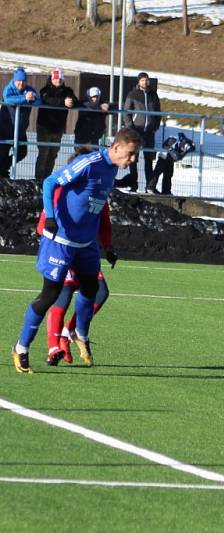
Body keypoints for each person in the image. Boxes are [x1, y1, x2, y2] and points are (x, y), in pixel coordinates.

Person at [10, 128, 141, 374]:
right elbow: (50, 182)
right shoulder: (88, 163)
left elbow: (98, 209)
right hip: (61, 240)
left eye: (136, 156)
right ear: (116, 148)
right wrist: (49, 216)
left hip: (86, 244)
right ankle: (21, 347)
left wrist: (106, 245)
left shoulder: (112, 169)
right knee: (50, 294)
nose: (133, 160)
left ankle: (78, 331)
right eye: (131, 154)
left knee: (92, 287)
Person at [39, 147, 116, 367]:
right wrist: (56, 239)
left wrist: (108, 247)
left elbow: (104, 223)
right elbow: (42, 225)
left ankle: (69, 331)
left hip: (86, 252)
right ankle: (54, 346)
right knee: (61, 294)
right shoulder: (59, 192)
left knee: (100, 291)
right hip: (63, 251)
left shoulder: (98, 191)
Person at [119, 72, 161, 192]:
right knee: (133, 159)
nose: (145, 82)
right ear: (139, 82)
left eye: (146, 80)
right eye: (142, 80)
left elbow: (158, 112)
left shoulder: (153, 95)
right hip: (136, 131)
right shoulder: (133, 94)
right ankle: (133, 184)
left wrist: (155, 126)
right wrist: (130, 126)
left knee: (148, 160)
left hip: (149, 132)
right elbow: (126, 112)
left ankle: (149, 186)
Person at [35, 69, 77, 181]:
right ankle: (38, 179)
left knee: (53, 155)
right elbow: (47, 100)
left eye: (60, 79)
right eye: (56, 78)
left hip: (58, 129)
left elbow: (74, 100)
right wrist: (63, 102)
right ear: (51, 79)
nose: (58, 80)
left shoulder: (68, 91)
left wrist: (71, 101)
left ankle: (47, 179)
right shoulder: (45, 90)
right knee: (43, 154)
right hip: (44, 127)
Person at [0, 67, 41, 179]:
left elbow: (38, 101)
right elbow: (8, 99)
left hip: (20, 131)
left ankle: (3, 169)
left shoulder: (29, 89)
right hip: (4, 130)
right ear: (14, 80)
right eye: (19, 81)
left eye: (23, 81)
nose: (21, 83)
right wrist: (24, 98)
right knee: (1, 153)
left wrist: (32, 98)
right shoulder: (9, 88)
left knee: (22, 153)